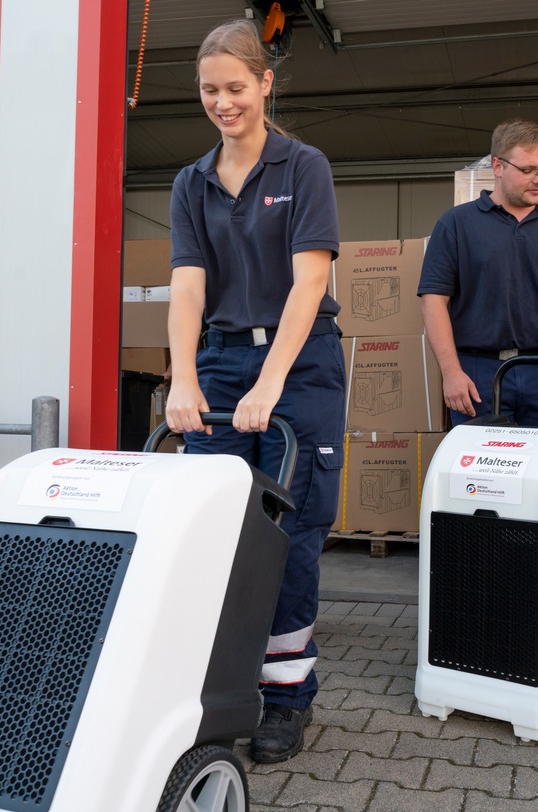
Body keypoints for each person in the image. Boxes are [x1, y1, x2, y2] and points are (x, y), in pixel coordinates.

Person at [165, 19, 345, 764]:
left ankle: (287, 698)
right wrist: (182, 377)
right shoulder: (191, 181)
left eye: (235, 88)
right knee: (211, 525)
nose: (223, 103)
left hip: (299, 368)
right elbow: (185, 289)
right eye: (210, 90)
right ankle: (217, 684)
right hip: (222, 362)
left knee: (289, 530)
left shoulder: (303, 167)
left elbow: (311, 281)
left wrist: (272, 382)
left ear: (265, 83)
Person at [418, 118, 538, 427]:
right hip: (478, 374)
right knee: (481, 473)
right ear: (498, 166)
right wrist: (451, 372)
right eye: (528, 170)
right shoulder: (456, 224)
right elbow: (433, 301)